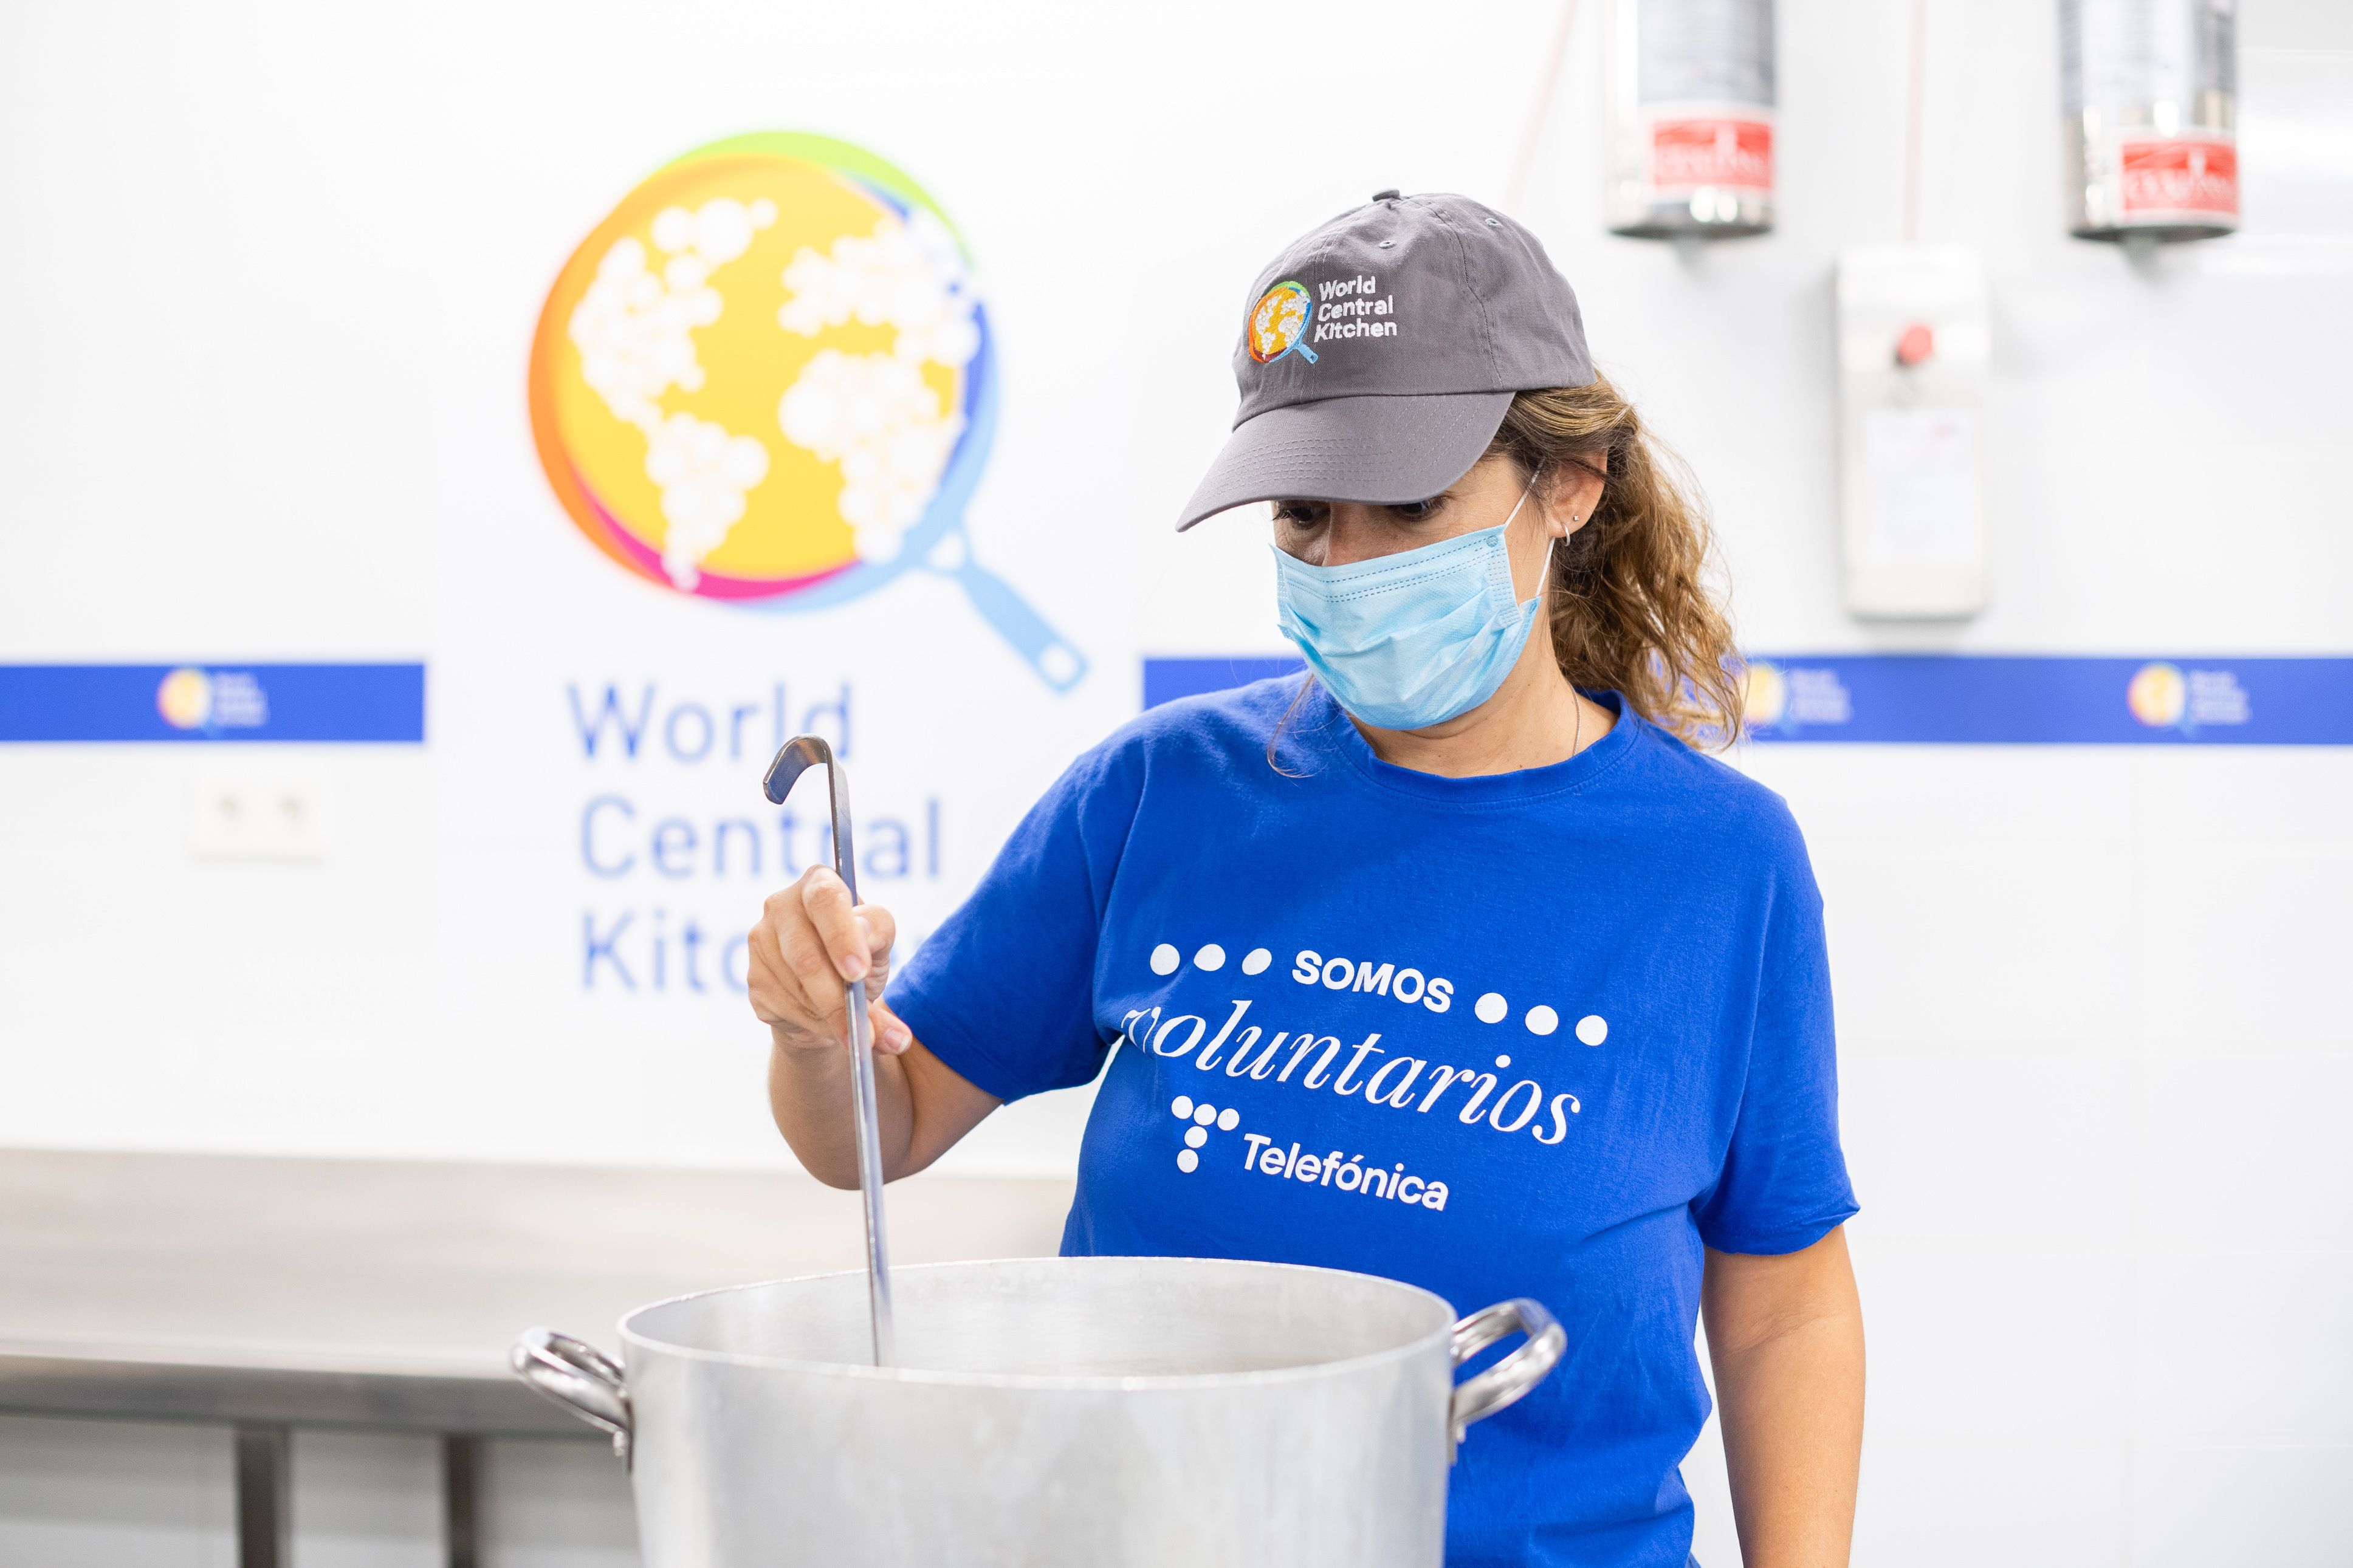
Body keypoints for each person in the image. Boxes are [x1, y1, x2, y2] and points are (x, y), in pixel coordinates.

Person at [749, 191, 1863, 1568]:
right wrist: (815, 1032)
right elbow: (879, 1126)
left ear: (1566, 487)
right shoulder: (1160, 794)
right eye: (1305, 516)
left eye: (1407, 505)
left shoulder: (1719, 867)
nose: (1347, 563)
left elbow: (1783, 1298)